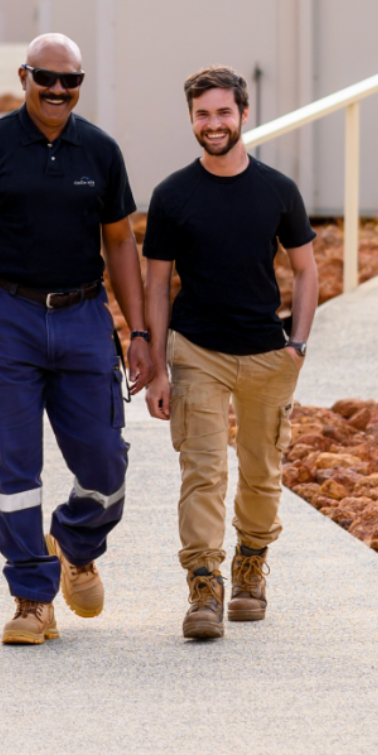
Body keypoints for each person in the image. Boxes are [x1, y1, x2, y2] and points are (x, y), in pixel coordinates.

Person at [0, 33, 153, 645]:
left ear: (81, 84)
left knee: (106, 462)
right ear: (23, 76)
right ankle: (31, 599)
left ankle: (75, 545)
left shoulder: (100, 152)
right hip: (8, 317)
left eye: (70, 81)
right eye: (45, 78)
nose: (57, 90)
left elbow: (119, 244)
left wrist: (138, 331)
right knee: (14, 471)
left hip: (83, 317)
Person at [142, 65, 320, 641]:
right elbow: (156, 285)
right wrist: (159, 368)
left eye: (223, 112)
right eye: (202, 114)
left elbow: (306, 268)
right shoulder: (173, 195)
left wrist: (298, 343)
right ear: (191, 119)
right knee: (203, 471)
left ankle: (250, 566)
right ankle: (203, 584)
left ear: (244, 115)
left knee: (264, 472)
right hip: (198, 351)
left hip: (269, 355)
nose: (213, 124)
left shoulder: (277, 190)